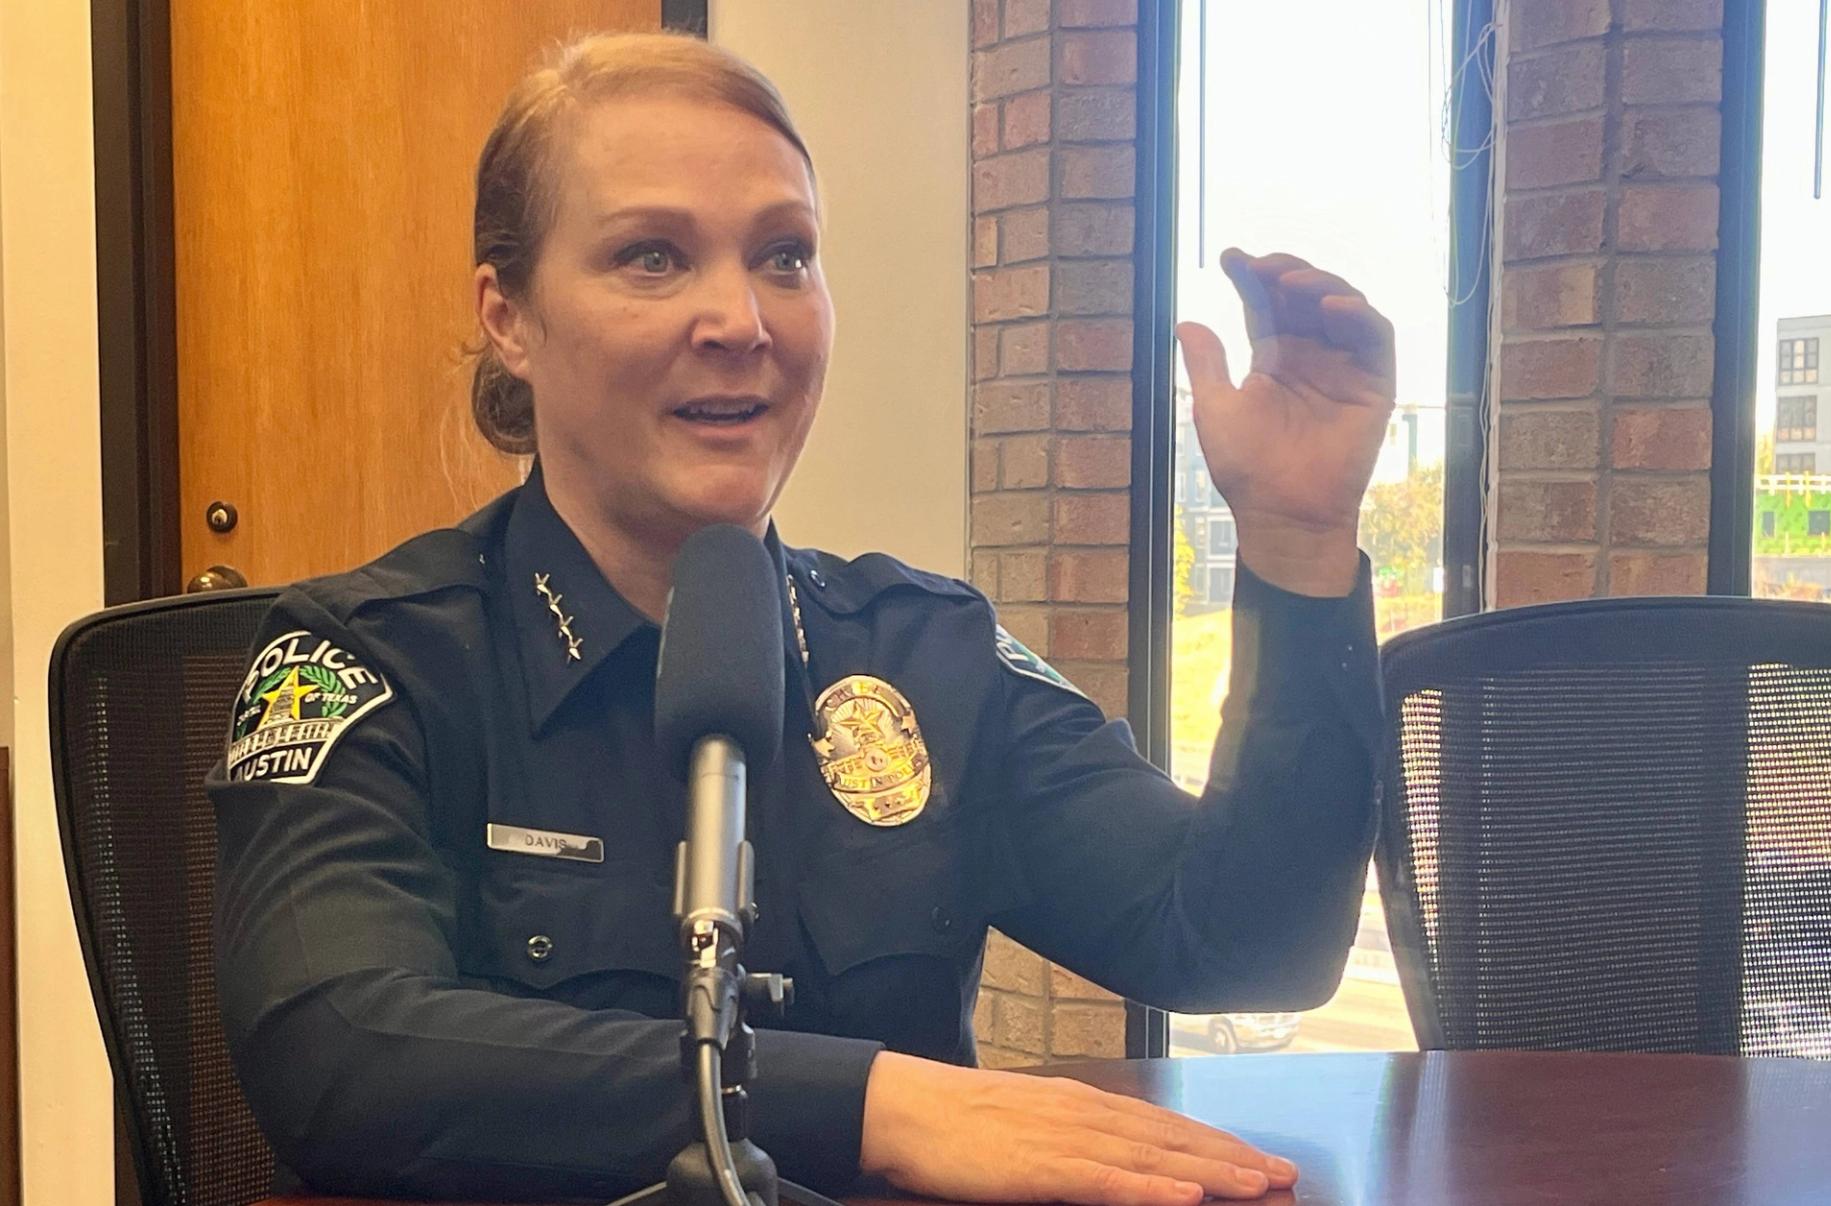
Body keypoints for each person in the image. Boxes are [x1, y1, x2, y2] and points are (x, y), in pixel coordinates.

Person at [209, 29, 1395, 1206]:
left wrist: (1296, 554)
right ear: (509, 317)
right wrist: (874, 1104)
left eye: (783, 256)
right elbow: (337, 1050)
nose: (741, 319)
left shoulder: (926, 654)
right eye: (652, 257)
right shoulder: (361, 659)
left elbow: (1244, 943)